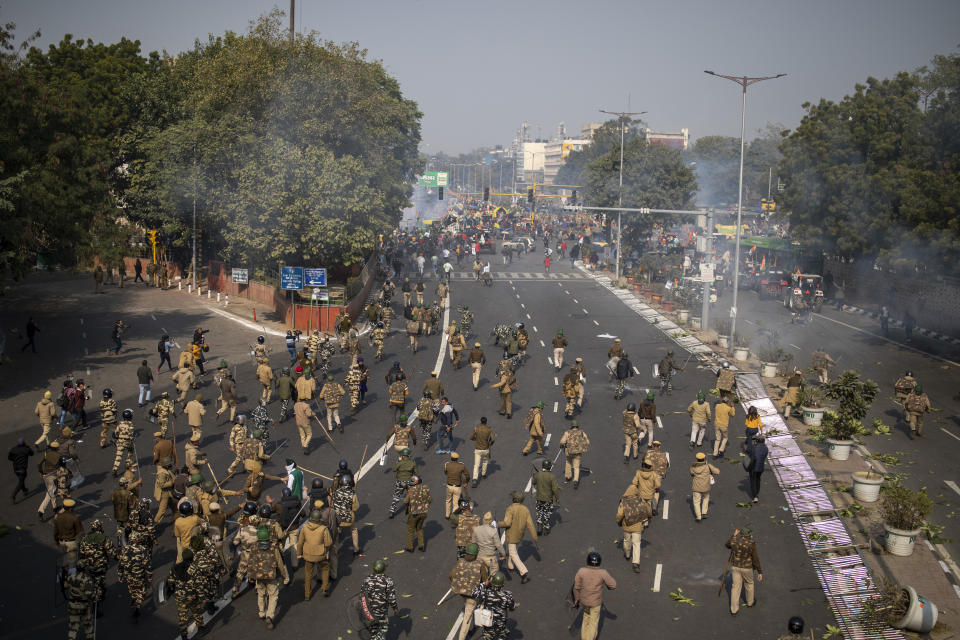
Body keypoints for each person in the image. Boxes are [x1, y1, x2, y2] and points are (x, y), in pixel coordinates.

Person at [449, 542, 489, 640]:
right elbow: (484, 580)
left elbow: (451, 575)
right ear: (476, 554)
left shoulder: (460, 561)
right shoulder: (480, 564)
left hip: (461, 592)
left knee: (467, 605)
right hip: (472, 595)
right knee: (467, 617)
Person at [573, 552, 617, 640]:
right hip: (596, 603)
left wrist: (577, 599)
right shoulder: (603, 573)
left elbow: (576, 587)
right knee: (593, 623)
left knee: (586, 619)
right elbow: (613, 585)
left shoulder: (581, 571)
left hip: (584, 602)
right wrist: (608, 587)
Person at [500, 491, 537, 584]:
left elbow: (507, 523)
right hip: (520, 534)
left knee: (512, 553)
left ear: (514, 499)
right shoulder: (525, 509)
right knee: (513, 549)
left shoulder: (510, 509)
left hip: (511, 534)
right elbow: (530, 524)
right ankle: (510, 565)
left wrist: (497, 524)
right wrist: (534, 536)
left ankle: (524, 572)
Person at [297, 508, 334, 599]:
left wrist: (299, 553)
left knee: (308, 574)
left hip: (308, 554)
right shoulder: (323, 529)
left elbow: (300, 542)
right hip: (320, 554)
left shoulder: (305, 527)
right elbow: (328, 543)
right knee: (325, 568)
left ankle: (307, 594)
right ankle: (324, 588)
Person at [725, 527, 763, 614]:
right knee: (749, 584)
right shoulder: (751, 543)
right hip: (747, 567)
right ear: (749, 534)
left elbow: (727, 545)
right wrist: (759, 571)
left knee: (735, 587)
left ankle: (734, 609)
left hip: (735, 567)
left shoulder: (734, 540)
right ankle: (750, 602)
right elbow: (755, 559)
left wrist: (733, 535)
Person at [359, 559, 399, 640]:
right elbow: (391, 598)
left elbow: (362, 594)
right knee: (382, 630)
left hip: (370, 610)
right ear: (384, 569)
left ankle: (374, 637)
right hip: (382, 611)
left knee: (373, 628)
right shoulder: (388, 581)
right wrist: (395, 608)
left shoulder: (367, 579)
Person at [472, 572, 515, 640]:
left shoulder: (486, 593)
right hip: (500, 622)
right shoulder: (507, 595)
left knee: (487, 636)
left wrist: (484, 584)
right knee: (503, 635)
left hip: (487, 620)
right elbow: (512, 607)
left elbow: (474, 592)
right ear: (502, 584)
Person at [403, 475, 432, 552]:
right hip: (423, 512)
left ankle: (410, 547)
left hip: (414, 513)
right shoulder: (425, 488)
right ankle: (421, 545)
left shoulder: (411, 490)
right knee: (419, 528)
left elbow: (405, 501)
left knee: (411, 530)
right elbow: (430, 499)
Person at [559, 421, 590, 489]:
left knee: (568, 463)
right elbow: (587, 442)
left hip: (569, 452)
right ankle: (575, 480)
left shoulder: (567, 432)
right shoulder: (582, 432)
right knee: (576, 467)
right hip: (578, 453)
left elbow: (562, 441)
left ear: (571, 426)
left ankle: (568, 476)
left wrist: (561, 445)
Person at [532, 460, 560, 535]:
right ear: (549, 467)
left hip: (539, 498)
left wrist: (535, 475)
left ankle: (539, 525)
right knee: (547, 513)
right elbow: (555, 489)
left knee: (539, 512)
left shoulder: (538, 474)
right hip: (548, 499)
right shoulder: (552, 476)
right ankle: (546, 528)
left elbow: (533, 482)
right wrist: (557, 498)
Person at [690, 452, 720, 521]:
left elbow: (691, 474)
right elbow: (717, 472)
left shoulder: (693, 467)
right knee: (705, 499)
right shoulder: (708, 466)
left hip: (696, 487)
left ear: (697, 459)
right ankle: (704, 513)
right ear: (704, 458)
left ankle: (698, 516)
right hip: (706, 487)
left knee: (696, 502)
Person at [443, 452, 471, 519]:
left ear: (451, 458)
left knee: (448, 500)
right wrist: (466, 482)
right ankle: (453, 515)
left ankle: (447, 515)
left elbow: (445, 472)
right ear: (457, 458)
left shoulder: (447, 464)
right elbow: (467, 475)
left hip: (449, 486)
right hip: (457, 487)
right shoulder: (461, 466)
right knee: (455, 503)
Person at [470, 417, 495, 488]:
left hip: (477, 449)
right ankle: (483, 474)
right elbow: (493, 439)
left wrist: (476, 439)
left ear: (480, 422)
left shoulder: (476, 429)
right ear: (486, 422)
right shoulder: (489, 430)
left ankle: (474, 479)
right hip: (485, 449)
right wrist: (489, 443)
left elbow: (471, 437)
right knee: (485, 462)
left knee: (476, 465)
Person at [9, 438, 33, 503]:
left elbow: (10, 458)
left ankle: (25, 490)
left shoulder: (13, 449)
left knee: (21, 479)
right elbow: (32, 453)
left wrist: (15, 460)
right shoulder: (26, 449)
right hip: (22, 468)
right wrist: (28, 447)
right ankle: (13, 495)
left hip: (15, 468)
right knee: (21, 481)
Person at [747, 435, 768, 503]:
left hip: (754, 467)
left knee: (753, 480)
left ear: (757, 441)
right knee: (758, 479)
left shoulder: (754, 448)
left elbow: (750, 454)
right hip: (761, 467)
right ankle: (757, 492)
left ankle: (755, 495)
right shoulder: (766, 448)